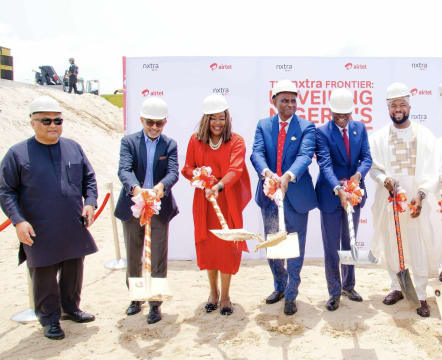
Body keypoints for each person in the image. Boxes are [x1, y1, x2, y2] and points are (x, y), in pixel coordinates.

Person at [0, 96, 98, 340]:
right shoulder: (17, 154)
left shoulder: (73, 147)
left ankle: (71, 308)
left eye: (57, 120)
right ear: (32, 123)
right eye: (46, 121)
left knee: (74, 269)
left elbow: (89, 178)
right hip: (38, 228)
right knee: (44, 275)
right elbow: (5, 190)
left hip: (72, 224)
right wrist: (18, 221)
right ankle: (49, 320)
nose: (53, 125)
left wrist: (90, 203)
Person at [369, 82, 440, 317]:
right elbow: (374, 169)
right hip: (390, 202)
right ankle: (397, 287)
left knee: (417, 246)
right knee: (392, 246)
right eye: (393, 105)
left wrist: (420, 195)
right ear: (387, 108)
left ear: (409, 106)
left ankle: (420, 293)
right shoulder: (378, 138)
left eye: (402, 104)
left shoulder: (424, 135)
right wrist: (385, 180)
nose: (397, 109)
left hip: (415, 202)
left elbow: (432, 171)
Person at [250, 80, 317, 316]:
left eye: (293, 100)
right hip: (269, 196)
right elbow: (256, 153)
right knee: (275, 245)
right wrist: (268, 175)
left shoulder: (307, 127)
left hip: (295, 196)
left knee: (294, 247)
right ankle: (279, 285)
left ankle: (291, 293)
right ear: (274, 101)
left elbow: (305, 155)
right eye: (284, 100)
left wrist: (288, 176)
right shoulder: (263, 125)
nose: (289, 104)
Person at [181, 94, 251, 316]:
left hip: (226, 200)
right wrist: (201, 176)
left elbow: (236, 169)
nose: (217, 123)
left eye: (221, 118)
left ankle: (226, 296)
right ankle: (212, 293)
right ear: (205, 120)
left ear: (227, 118)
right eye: (213, 119)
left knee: (227, 249)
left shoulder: (237, 141)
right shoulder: (195, 140)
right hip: (204, 202)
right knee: (209, 247)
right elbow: (187, 168)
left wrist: (218, 186)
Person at [114, 97, 179, 324]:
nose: (154, 127)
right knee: (134, 255)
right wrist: (136, 190)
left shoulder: (169, 144)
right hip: (133, 206)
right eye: (149, 122)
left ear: (164, 123)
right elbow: (124, 170)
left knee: (158, 257)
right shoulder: (128, 142)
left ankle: (155, 303)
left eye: (158, 123)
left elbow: (173, 172)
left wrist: (161, 187)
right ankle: (136, 297)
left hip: (159, 208)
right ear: (141, 120)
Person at [315, 88, 372, 311]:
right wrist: (339, 188)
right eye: (337, 114)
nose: (342, 118)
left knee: (349, 242)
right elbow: (325, 164)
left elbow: (366, 157)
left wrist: (358, 176)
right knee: (331, 246)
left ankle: (349, 285)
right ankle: (334, 291)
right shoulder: (321, 133)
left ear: (351, 112)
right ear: (330, 110)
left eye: (345, 114)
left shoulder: (359, 128)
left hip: (354, 193)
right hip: (331, 196)